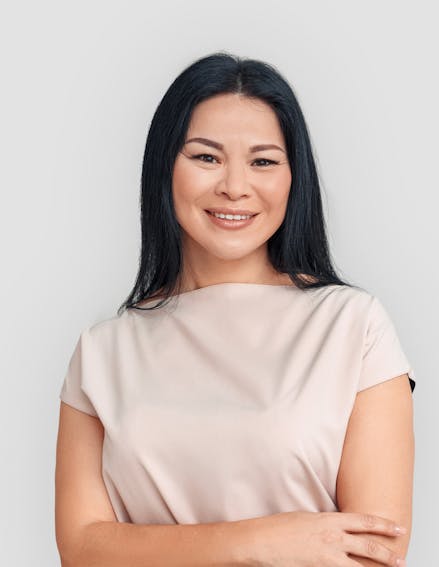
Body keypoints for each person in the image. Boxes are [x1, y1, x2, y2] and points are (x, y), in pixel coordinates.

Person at [55, 51, 417, 567]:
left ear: (295, 180)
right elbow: (83, 549)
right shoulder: (102, 351)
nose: (235, 186)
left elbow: (376, 551)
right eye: (206, 157)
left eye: (264, 161)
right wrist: (262, 542)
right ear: (165, 167)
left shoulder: (354, 327)